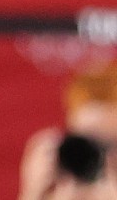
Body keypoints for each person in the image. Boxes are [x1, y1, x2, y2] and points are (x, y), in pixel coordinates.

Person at [21, 62, 117, 200]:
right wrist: (33, 193)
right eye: (88, 144)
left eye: (111, 145)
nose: (101, 157)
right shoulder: (63, 183)